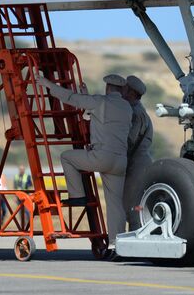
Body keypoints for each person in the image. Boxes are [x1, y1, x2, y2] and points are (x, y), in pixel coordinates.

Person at [37, 74, 132, 249]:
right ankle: (117, 242)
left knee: (67, 157)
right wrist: (88, 98)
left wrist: (47, 84)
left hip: (101, 157)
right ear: (122, 90)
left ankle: (77, 196)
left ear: (107, 88)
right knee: (115, 204)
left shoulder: (100, 102)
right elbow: (103, 122)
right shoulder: (127, 108)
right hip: (120, 161)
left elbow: (70, 98)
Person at [122, 75, 153, 231]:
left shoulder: (136, 113)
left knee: (133, 206)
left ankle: (135, 245)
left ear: (131, 93)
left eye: (125, 88)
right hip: (135, 164)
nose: (121, 91)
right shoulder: (134, 110)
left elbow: (129, 141)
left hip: (137, 166)